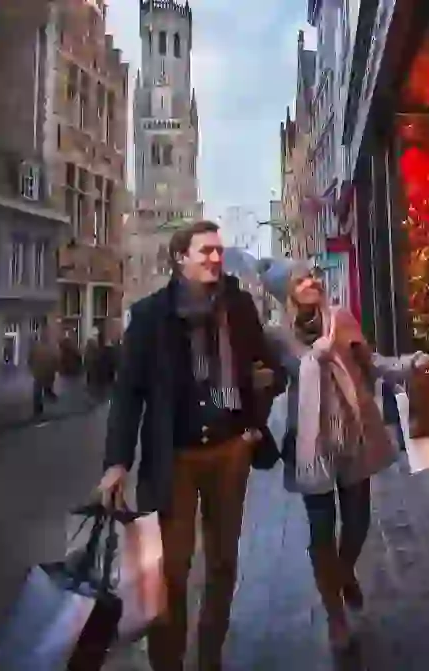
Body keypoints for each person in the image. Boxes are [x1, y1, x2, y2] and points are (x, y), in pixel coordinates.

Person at [94, 220, 286, 671]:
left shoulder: (238, 306)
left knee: (222, 562)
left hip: (229, 451)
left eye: (219, 251)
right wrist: (116, 462)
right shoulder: (150, 316)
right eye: (206, 252)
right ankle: (169, 662)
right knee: (172, 570)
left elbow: (267, 367)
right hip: (174, 457)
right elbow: (128, 395)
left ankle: (210, 658)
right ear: (181, 257)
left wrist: (254, 421)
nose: (215, 259)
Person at [259, 258, 429, 654]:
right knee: (321, 532)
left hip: (354, 433)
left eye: (313, 276)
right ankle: (335, 617)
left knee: (356, 523)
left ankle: (344, 568)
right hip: (310, 443)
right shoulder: (277, 335)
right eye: (302, 280)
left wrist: (412, 363)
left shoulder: (342, 318)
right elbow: (274, 380)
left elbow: (375, 364)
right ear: (286, 291)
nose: (312, 282)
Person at [26, 329, 59, 416]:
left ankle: (38, 408)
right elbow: (56, 360)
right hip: (47, 372)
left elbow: (30, 359)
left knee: (38, 390)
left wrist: (32, 369)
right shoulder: (51, 349)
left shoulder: (36, 348)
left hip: (39, 373)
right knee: (46, 388)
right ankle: (52, 400)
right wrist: (55, 369)